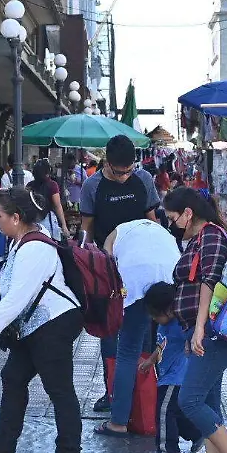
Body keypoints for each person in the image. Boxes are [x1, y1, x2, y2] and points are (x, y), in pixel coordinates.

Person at [0, 188, 84, 453]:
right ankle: (4, 446)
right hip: (34, 325)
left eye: (0, 216)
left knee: (60, 391)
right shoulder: (22, 242)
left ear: (16, 218)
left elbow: (19, 298)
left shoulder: (34, 248)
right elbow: (15, 295)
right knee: (12, 378)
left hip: (53, 324)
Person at [163, 186, 227, 453]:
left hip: (212, 333)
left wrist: (200, 328)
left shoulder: (211, 236)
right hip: (202, 330)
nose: (172, 224)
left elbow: (209, 282)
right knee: (207, 401)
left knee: (189, 400)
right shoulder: (200, 238)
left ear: (188, 214)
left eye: (173, 218)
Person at [79, 134, 160, 412]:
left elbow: (153, 221)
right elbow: (87, 228)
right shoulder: (93, 186)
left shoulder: (144, 180)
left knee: (145, 331)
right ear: (107, 163)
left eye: (129, 170)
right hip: (109, 270)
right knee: (110, 331)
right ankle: (112, 390)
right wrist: (86, 263)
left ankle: (146, 389)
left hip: (142, 266)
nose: (125, 176)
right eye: (118, 171)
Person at [95, 218, 180, 437]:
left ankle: (119, 422)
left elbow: (107, 258)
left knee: (127, 352)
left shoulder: (120, 230)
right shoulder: (161, 231)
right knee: (172, 345)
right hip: (170, 279)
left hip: (133, 280)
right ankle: (166, 416)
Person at [142, 281, 203, 453]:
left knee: (163, 412)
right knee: (175, 413)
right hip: (168, 376)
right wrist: (151, 360)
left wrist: (189, 342)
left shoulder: (179, 325)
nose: (153, 319)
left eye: (155, 315)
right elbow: (162, 345)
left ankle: (167, 450)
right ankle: (196, 434)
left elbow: (192, 336)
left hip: (175, 378)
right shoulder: (164, 325)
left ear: (169, 310)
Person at [29, 159, 69, 240]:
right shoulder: (52, 185)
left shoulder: (30, 185)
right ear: (47, 172)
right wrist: (64, 225)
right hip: (48, 219)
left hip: (32, 220)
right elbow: (58, 206)